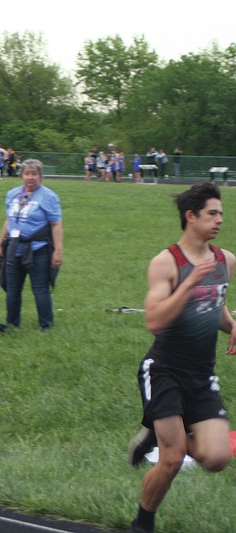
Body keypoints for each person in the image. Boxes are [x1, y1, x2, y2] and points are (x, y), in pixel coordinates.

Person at [126, 182, 236, 533]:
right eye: (212, 213)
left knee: (217, 458)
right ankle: (143, 523)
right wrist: (188, 284)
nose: (220, 220)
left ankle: (153, 434)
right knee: (172, 459)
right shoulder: (166, 262)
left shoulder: (225, 260)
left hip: (201, 374)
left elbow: (216, 307)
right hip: (164, 370)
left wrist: (233, 325)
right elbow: (153, 321)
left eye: (221, 213)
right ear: (191, 216)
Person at [0, 159, 63, 331]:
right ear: (21, 176)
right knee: (12, 289)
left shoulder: (48, 196)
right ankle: (12, 325)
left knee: (40, 288)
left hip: (38, 249)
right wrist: (0, 243)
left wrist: (57, 251)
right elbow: (9, 220)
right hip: (14, 247)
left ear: (41, 176)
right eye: (27, 173)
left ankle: (46, 325)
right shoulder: (13, 194)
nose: (30, 178)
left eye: (34, 174)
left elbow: (56, 224)